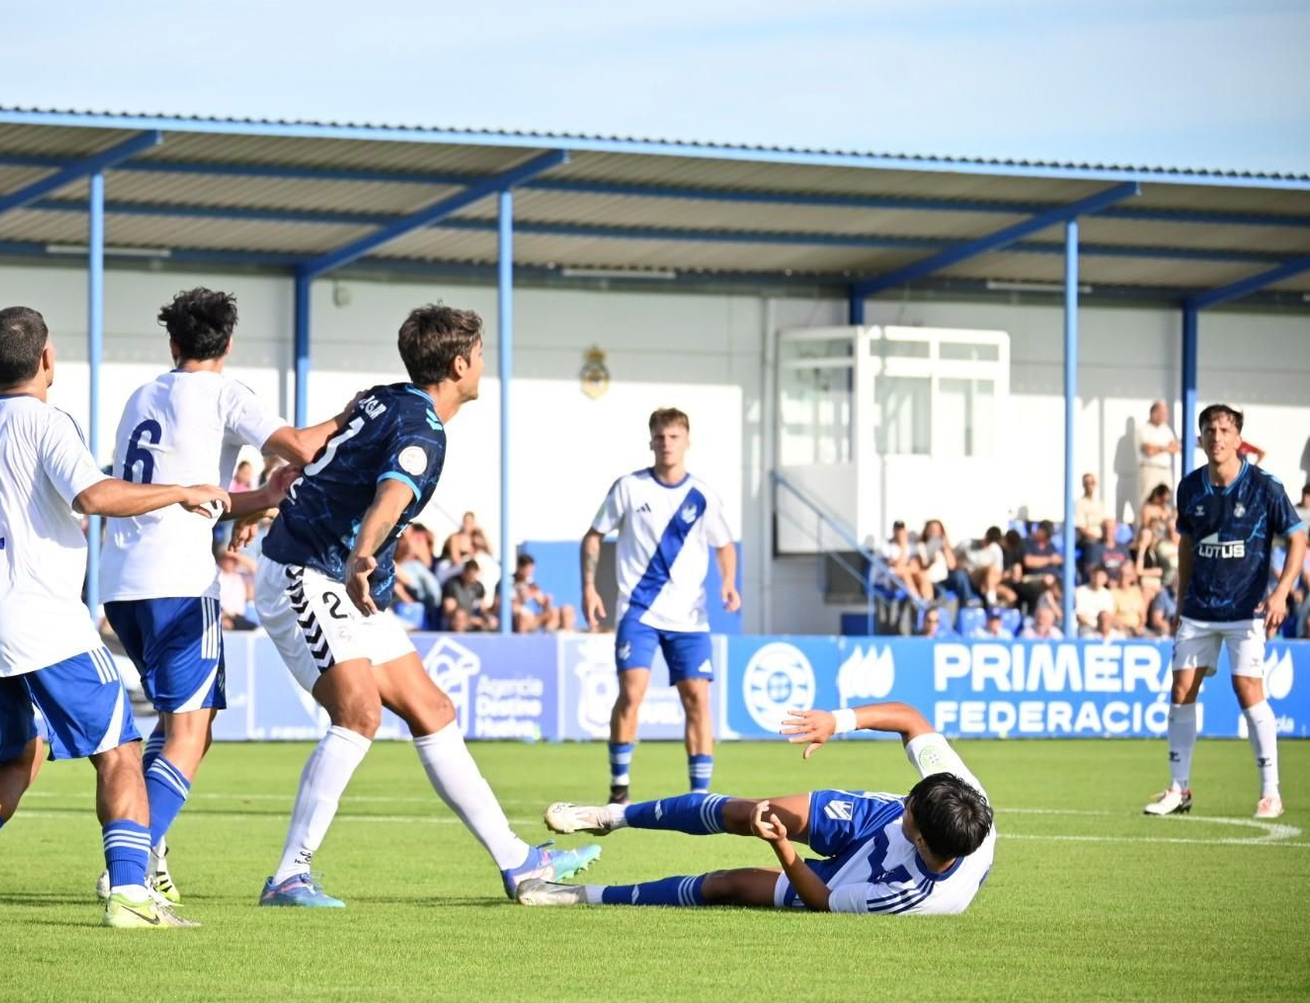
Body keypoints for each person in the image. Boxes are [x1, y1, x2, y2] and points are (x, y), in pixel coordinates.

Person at [253, 304, 599, 907]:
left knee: (431, 708)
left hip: (343, 577)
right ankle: (289, 875)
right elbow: (390, 494)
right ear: (461, 363)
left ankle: (518, 863)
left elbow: (319, 457)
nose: (484, 364)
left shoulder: (383, 397)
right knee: (358, 713)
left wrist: (265, 495)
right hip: (308, 573)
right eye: (481, 354)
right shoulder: (423, 431)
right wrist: (363, 554)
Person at [0, 306, 230, 928]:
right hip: (38, 620)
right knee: (121, 754)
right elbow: (94, 496)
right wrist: (184, 490)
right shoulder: (48, 422)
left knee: (15, 756)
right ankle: (131, 898)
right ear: (47, 358)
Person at [96, 287, 339, 903]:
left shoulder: (140, 396)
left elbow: (190, 490)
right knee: (190, 733)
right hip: (179, 583)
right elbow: (304, 448)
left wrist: (259, 499)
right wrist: (354, 412)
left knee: (187, 727)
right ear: (228, 343)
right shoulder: (227, 393)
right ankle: (132, 860)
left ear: (172, 343)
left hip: (121, 583)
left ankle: (145, 851)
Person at [518, 701, 995, 916]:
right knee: (749, 813)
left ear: (923, 841)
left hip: (852, 881)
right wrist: (837, 720)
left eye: (912, 807)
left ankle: (581, 894)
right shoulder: (963, 797)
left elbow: (824, 902)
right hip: (871, 821)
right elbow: (911, 720)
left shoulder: (910, 895)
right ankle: (612, 815)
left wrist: (784, 849)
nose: (907, 799)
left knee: (728, 885)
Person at [1145, 404, 1306, 821]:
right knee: (1181, 692)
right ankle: (1179, 789)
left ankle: (1271, 792)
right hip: (1199, 608)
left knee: (1247, 689)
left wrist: (1281, 591)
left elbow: (1298, 539)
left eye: (1223, 430)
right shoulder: (1190, 488)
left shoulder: (1265, 487)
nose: (1216, 437)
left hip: (1247, 609)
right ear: (1199, 439)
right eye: (1209, 430)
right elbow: (1185, 544)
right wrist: (1181, 601)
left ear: (1237, 438)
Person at [581, 407, 740, 803]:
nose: (666, 444)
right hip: (639, 611)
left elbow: (724, 544)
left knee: (697, 699)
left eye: (674, 437)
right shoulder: (629, 488)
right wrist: (588, 587)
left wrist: (730, 583)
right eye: (660, 437)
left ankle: (700, 796)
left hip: (690, 616)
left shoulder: (702, 495)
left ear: (687, 441)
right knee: (632, 692)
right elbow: (593, 536)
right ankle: (619, 789)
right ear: (650, 441)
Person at [1137, 399, 1181, 503]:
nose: (1166, 416)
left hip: (1165, 470)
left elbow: (1176, 448)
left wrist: (1158, 448)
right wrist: (1166, 448)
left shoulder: (1166, 429)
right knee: (1147, 499)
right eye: (1163, 413)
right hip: (1150, 469)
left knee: (1166, 499)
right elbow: (1149, 450)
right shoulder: (1143, 429)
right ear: (1154, 413)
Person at [441, 559, 493, 631]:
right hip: (456, 621)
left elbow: (483, 608)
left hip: (472, 620)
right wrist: (470, 620)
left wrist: (488, 618)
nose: (472, 577)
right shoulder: (452, 585)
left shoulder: (478, 587)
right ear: (465, 572)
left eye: (474, 575)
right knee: (460, 615)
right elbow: (449, 610)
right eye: (470, 574)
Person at [1075, 566, 1115, 637]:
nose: (1098, 579)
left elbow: (1110, 615)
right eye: (1096, 576)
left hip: (1104, 628)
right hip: (1086, 628)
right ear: (1092, 577)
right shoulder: (1081, 591)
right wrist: (1094, 625)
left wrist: (1103, 626)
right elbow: (1079, 615)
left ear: (1106, 578)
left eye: (1101, 577)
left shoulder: (1107, 594)